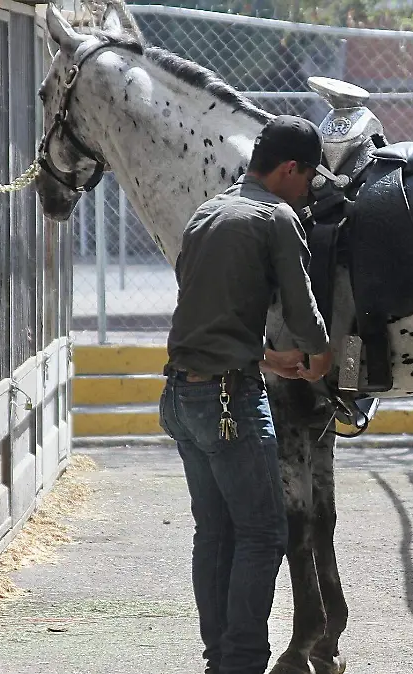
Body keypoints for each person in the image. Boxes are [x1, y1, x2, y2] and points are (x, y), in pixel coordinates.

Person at [158, 114, 334, 674]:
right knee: (263, 533)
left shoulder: (207, 213)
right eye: (309, 178)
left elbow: (203, 312)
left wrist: (262, 356)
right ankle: (242, 664)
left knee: (214, 532)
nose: (309, 190)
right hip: (231, 403)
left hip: (182, 398)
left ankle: (221, 661)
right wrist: (321, 360)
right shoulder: (276, 216)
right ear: (289, 169)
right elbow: (304, 313)